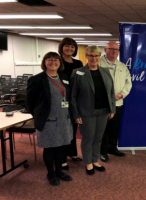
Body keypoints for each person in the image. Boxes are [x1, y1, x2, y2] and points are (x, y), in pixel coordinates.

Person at [26, 52, 73, 186]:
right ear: (44, 62)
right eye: (50, 60)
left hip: (64, 119)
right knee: (50, 148)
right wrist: (39, 116)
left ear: (60, 62)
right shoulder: (37, 79)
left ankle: (59, 171)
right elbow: (30, 102)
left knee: (61, 147)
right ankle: (50, 173)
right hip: (48, 121)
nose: (53, 62)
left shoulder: (64, 77)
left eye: (56, 60)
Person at [70, 45, 115, 175]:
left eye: (96, 55)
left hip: (103, 111)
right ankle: (88, 162)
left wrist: (112, 109)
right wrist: (76, 113)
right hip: (86, 112)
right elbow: (73, 95)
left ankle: (95, 160)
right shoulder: (78, 72)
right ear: (86, 56)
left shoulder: (105, 72)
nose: (94, 58)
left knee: (98, 138)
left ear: (99, 56)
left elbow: (111, 92)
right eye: (91, 55)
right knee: (88, 138)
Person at [99, 41, 132, 162]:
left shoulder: (122, 66)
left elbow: (128, 82)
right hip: (103, 104)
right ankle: (102, 151)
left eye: (117, 50)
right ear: (105, 50)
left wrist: (121, 94)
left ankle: (112, 147)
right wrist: (108, 95)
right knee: (103, 129)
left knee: (114, 127)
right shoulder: (97, 64)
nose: (114, 51)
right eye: (111, 49)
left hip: (118, 102)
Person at [58, 37, 83, 170]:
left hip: (74, 99)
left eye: (72, 47)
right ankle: (61, 158)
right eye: (67, 46)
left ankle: (72, 152)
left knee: (72, 128)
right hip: (61, 99)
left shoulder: (78, 62)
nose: (69, 48)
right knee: (63, 129)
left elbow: (81, 80)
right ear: (62, 47)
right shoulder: (57, 61)